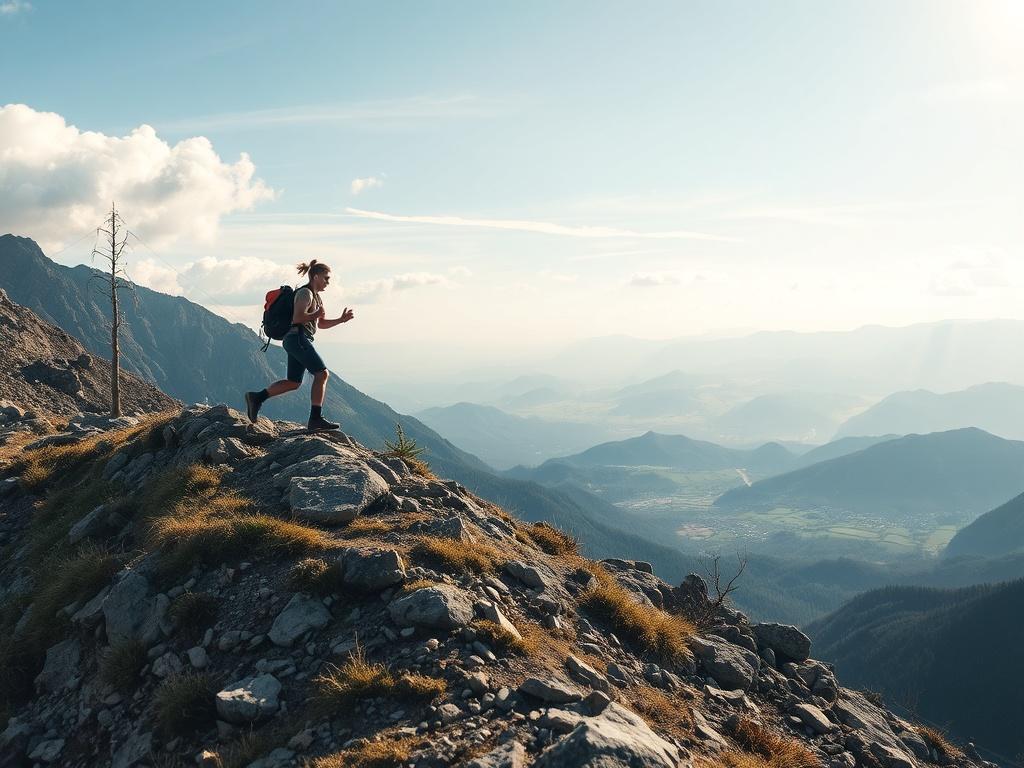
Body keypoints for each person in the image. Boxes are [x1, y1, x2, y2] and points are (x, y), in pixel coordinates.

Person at [245, 260, 354, 431]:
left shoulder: (316, 297)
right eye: (326, 278)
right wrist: (315, 314)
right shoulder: (305, 293)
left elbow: (321, 324)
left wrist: (341, 320)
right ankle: (315, 419)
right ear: (315, 277)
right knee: (322, 374)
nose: (328, 282)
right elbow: (297, 318)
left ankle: (256, 398)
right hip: (297, 338)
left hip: (297, 339)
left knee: (293, 382)